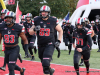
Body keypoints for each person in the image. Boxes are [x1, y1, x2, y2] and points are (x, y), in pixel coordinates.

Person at [29, 5, 63, 75]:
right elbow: (30, 32)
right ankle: (50, 71)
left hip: (50, 44)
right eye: (42, 12)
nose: (43, 13)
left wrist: (59, 41)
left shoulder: (53, 20)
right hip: (40, 44)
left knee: (46, 62)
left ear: (48, 13)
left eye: (45, 12)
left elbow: (60, 30)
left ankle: (48, 72)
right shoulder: (37, 19)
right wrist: (35, 29)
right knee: (44, 64)